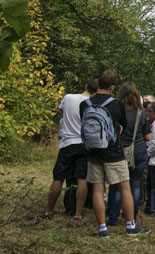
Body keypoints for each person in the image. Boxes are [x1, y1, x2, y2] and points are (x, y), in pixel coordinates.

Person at [80, 70, 150, 237]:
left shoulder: (85, 104)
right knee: (124, 187)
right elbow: (123, 126)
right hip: (113, 151)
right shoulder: (116, 105)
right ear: (112, 87)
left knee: (98, 190)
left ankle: (103, 228)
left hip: (92, 152)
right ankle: (130, 225)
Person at [43, 80, 97, 220]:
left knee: (58, 177)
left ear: (86, 86)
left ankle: (49, 210)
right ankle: (78, 213)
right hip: (83, 143)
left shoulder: (68, 98)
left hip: (67, 142)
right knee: (82, 179)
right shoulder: (92, 104)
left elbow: (63, 112)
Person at [106, 82, 151, 226]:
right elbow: (147, 137)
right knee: (135, 184)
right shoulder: (142, 113)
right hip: (138, 150)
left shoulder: (117, 112)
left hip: (119, 150)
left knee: (116, 185)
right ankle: (132, 215)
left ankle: (112, 217)